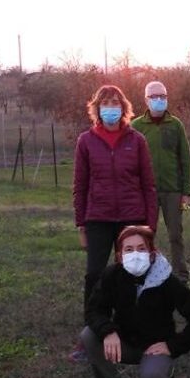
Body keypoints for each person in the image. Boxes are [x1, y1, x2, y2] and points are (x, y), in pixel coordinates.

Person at [80, 226, 190, 378]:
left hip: (154, 348)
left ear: (151, 253)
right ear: (119, 255)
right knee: (89, 335)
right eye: (129, 249)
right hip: (124, 342)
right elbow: (93, 310)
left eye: (141, 249)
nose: (135, 255)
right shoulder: (111, 275)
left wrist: (172, 346)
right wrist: (108, 331)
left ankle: (165, 371)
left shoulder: (167, 281)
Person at [70, 85, 158, 362]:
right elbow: (80, 185)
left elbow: (148, 185)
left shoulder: (137, 140)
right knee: (95, 277)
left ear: (123, 107)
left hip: (132, 217)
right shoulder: (86, 141)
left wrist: (149, 226)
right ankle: (91, 337)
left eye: (115, 102)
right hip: (98, 218)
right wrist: (81, 224)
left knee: (132, 276)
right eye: (105, 103)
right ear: (97, 108)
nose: (111, 107)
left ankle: (135, 332)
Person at [131, 81, 190, 282]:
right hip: (146, 191)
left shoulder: (175, 125)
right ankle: (144, 271)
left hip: (173, 190)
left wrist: (187, 192)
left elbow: (184, 159)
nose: (159, 100)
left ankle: (180, 274)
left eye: (163, 96)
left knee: (176, 234)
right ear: (146, 100)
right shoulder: (137, 126)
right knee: (146, 234)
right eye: (154, 97)